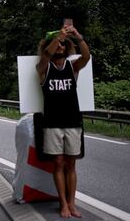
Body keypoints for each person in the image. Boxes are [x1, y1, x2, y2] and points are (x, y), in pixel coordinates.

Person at [36, 21, 90, 218]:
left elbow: (86, 56)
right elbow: (45, 57)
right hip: (51, 124)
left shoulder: (72, 67)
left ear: (67, 48)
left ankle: (72, 203)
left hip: (73, 122)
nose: (60, 46)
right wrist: (57, 37)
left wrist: (77, 35)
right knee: (58, 163)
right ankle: (63, 204)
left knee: (71, 165)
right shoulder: (43, 67)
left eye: (62, 44)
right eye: (57, 44)